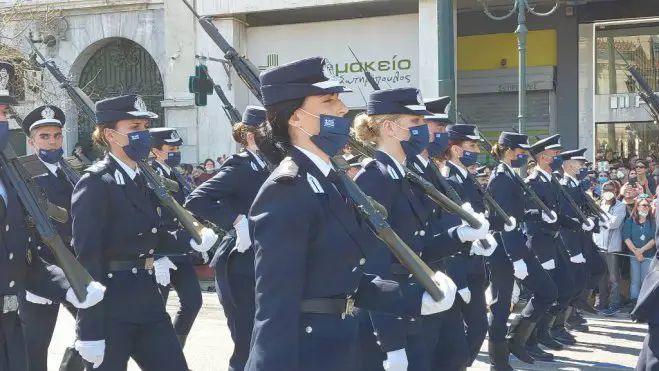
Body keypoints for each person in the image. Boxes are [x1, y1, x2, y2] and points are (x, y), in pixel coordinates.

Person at [244, 57, 456, 371]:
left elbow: (347, 278)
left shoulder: (332, 180)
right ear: (296, 119)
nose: (343, 109)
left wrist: (416, 297)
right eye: (329, 101)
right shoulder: (287, 188)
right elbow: (275, 304)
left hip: (342, 343)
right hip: (306, 353)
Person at [71, 94, 218, 370]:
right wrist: (88, 330)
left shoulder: (143, 177)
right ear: (111, 135)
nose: (143, 134)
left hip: (148, 303)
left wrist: (190, 239)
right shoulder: (95, 183)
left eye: (145, 127)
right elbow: (86, 261)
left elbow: (154, 235)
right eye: (135, 128)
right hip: (112, 307)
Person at [352, 88, 485, 371]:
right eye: (415, 123)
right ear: (389, 127)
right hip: (394, 311)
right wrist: (392, 343)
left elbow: (418, 244)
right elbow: (375, 267)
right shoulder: (374, 179)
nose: (424, 130)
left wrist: (459, 236)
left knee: (454, 356)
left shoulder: (403, 174)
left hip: (420, 295)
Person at [0, 63, 105, 371]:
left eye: (5, 114)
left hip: (60, 269)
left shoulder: (71, 169)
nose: (52, 142)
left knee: (94, 335)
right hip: (41, 269)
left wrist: (58, 281)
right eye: (44, 136)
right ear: (31, 141)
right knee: (35, 354)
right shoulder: (21, 171)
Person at [185, 106, 270, 371]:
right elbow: (196, 200)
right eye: (269, 132)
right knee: (246, 343)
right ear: (251, 136)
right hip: (240, 263)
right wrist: (235, 220)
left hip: (265, 260)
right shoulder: (240, 166)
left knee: (266, 342)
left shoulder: (269, 165)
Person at [409, 96, 482, 371]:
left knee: (454, 352)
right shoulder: (408, 169)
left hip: (442, 271)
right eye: (434, 127)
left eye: (442, 129)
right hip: (425, 275)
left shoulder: (428, 168)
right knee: (432, 353)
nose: (441, 134)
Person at [487, 132, 558, 369]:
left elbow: (515, 215)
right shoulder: (500, 179)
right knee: (500, 306)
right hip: (505, 251)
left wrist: (540, 214)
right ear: (508, 151)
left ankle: (516, 340)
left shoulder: (510, 175)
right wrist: (516, 258)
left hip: (517, 246)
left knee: (548, 291)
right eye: (520, 152)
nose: (523, 157)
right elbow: (501, 221)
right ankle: (498, 361)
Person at [442, 124, 494, 366]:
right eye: (471, 146)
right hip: (457, 266)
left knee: (478, 327)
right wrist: (458, 278)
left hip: (474, 262)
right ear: (455, 149)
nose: (476, 150)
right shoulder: (448, 180)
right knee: (456, 334)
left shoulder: (469, 179)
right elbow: (447, 229)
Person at [523, 134, 578, 362]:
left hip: (554, 240)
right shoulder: (532, 182)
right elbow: (526, 216)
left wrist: (576, 223)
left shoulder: (551, 180)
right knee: (543, 292)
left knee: (565, 286)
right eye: (555, 154)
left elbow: (558, 212)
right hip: (540, 243)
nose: (558, 157)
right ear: (542, 156)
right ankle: (527, 339)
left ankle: (545, 331)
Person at [148, 127, 202, 348]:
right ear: (155, 151)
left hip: (179, 248)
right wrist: (158, 255)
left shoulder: (175, 173)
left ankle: (174, 350)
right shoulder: (149, 173)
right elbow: (148, 217)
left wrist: (198, 235)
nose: (175, 152)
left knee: (193, 302)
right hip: (160, 250)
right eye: (171, 149)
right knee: (156, 311)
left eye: (177, 148)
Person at [593, 181, 626, 315]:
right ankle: (603, 303)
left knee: (614, 278)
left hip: (612, 247)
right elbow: (594, 222)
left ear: (616, 191)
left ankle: (615, 303)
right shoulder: (598, 205)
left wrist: (601, 219)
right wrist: (603, 220)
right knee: (601, 277)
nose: (608, 191)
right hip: (598, 246)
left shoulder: (620, 206)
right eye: (605, 189)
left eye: (611, 189)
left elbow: (614, 224)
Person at [624, 195, 656, 304]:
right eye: (643, 205)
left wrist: (641, 251)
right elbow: (626, 238)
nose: (646, 207)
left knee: (645, 280)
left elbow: (654, 239)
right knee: (635, 281)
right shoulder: (630, 221)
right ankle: (634, 303)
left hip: (648, 255)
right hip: (633, 255)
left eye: (648, 205)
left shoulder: (653, 221)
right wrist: (636, 252)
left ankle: (644, 303)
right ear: (637, 207)